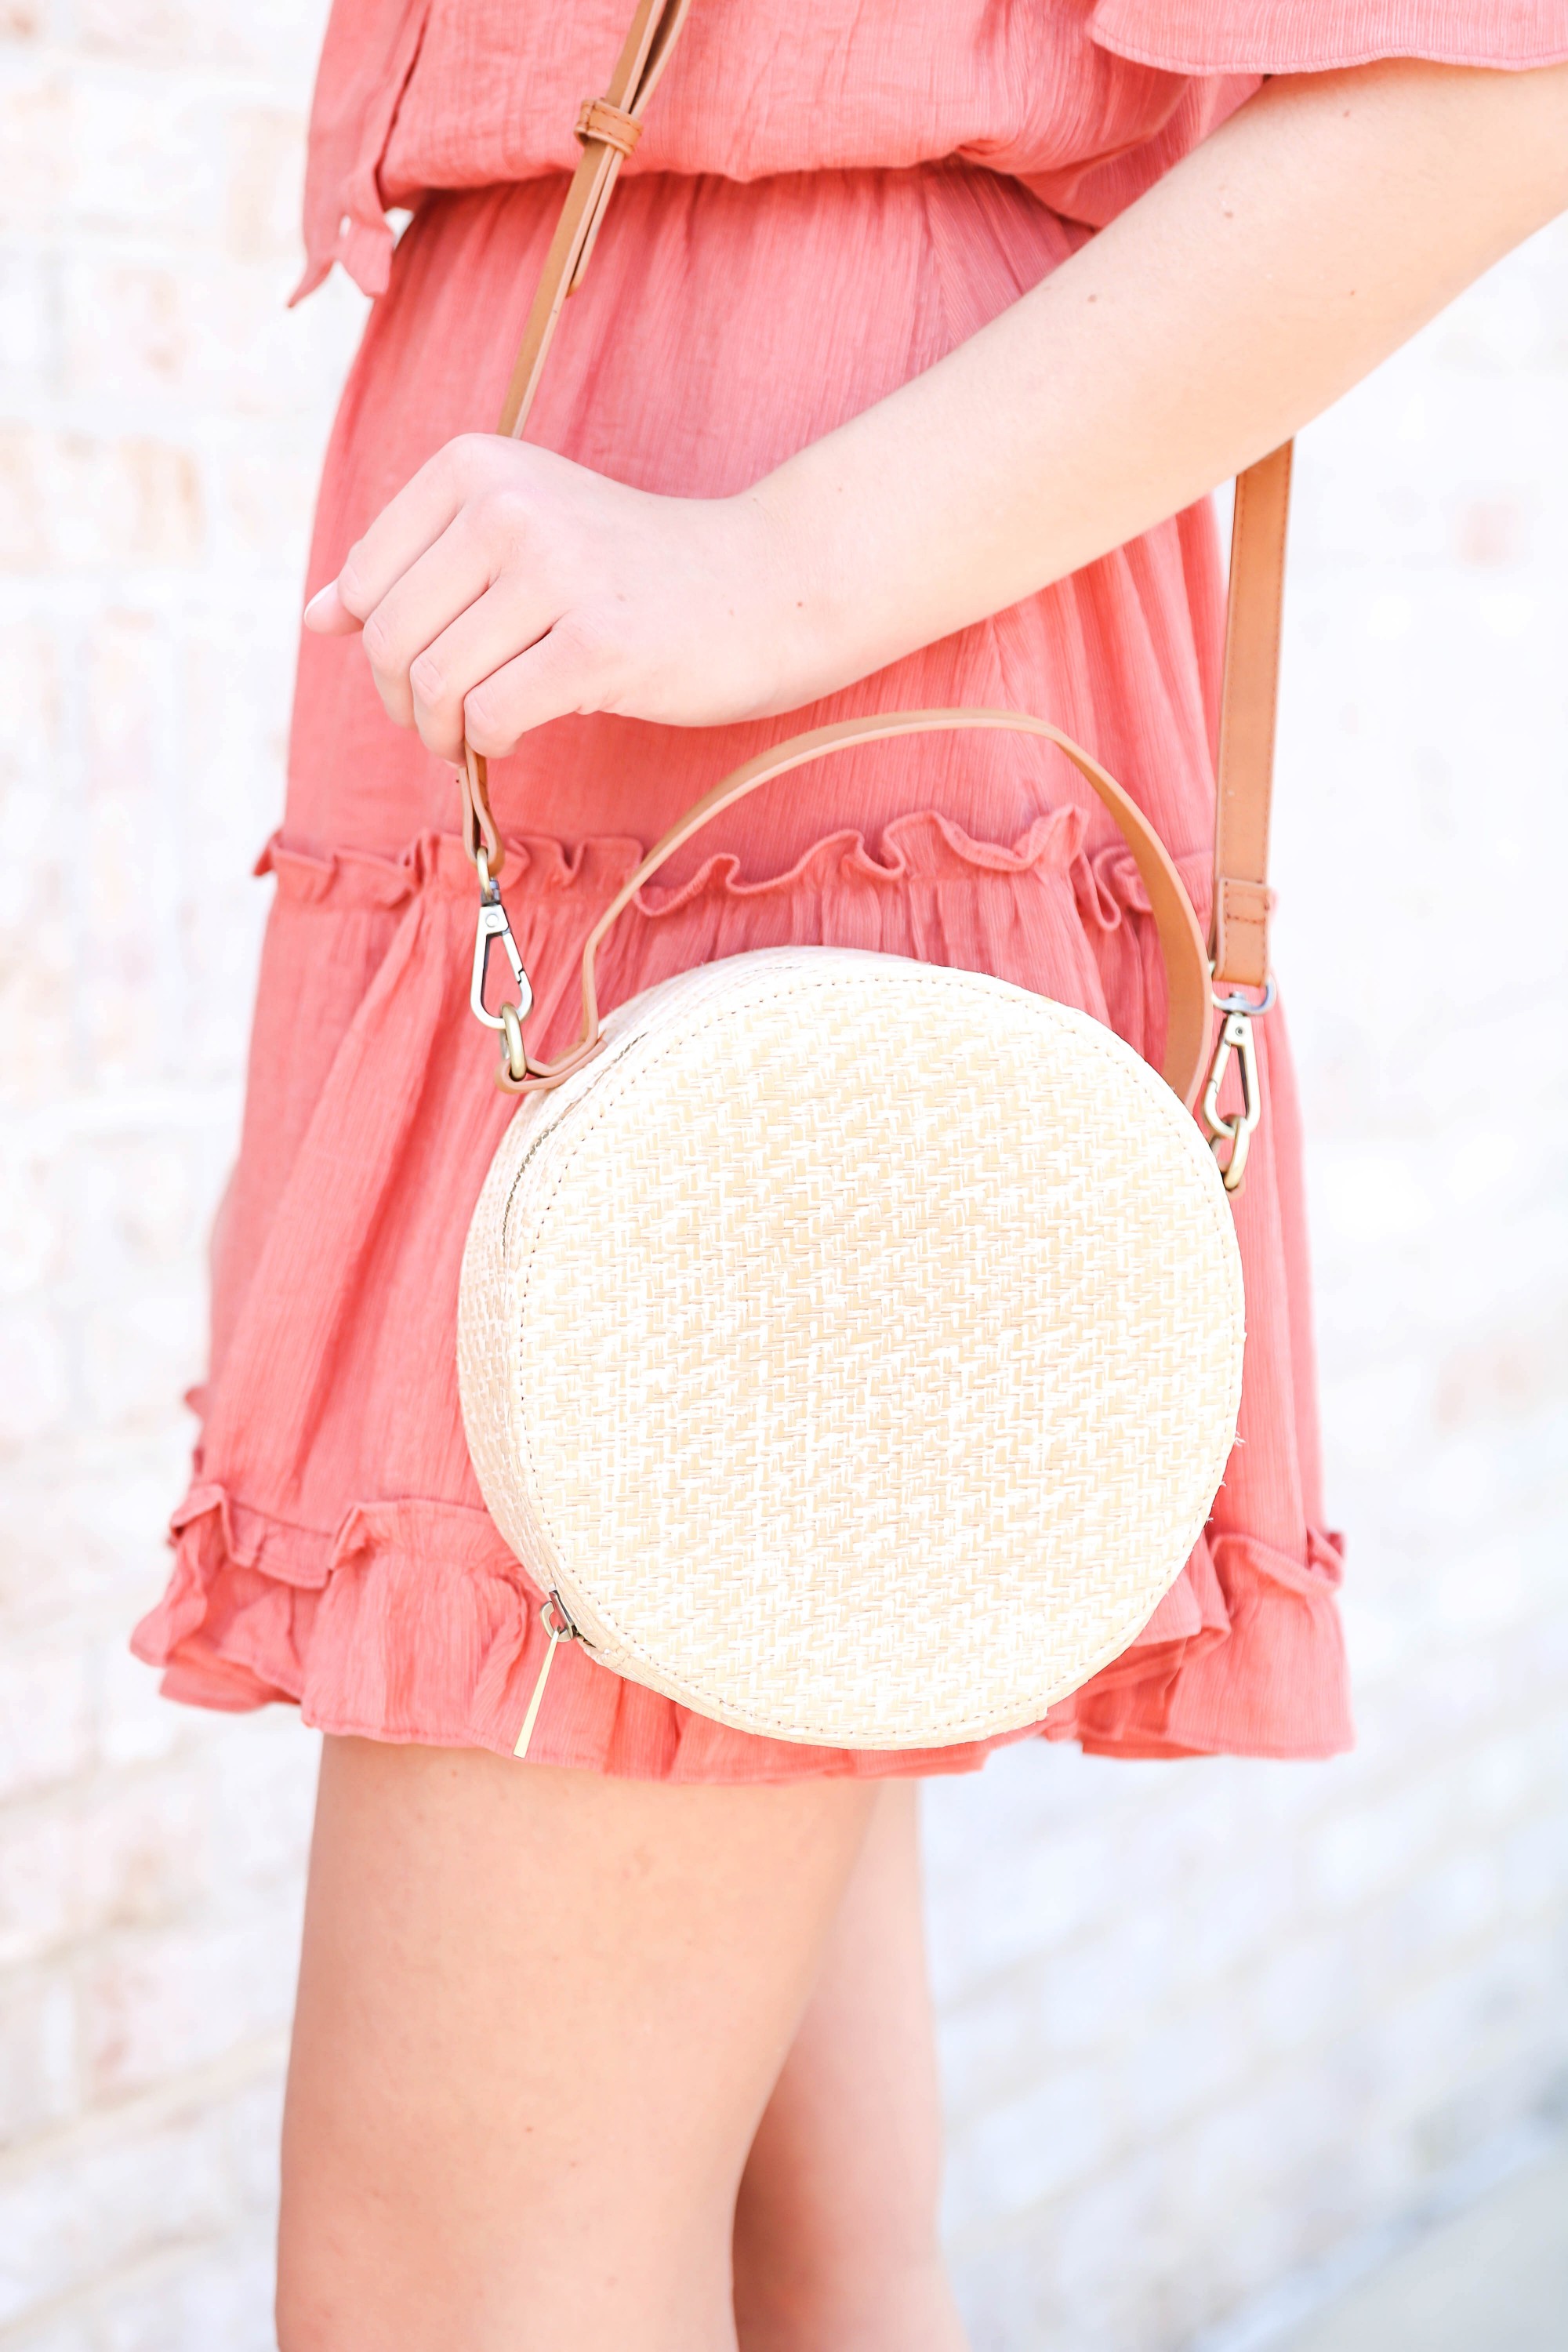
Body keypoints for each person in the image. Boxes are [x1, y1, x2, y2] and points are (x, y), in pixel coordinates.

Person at [130, 5, 1568, 2346]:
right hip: (596, 597)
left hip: (791, 659)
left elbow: (1500, 62)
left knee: (457, 2282)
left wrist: (773, 571)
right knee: (786, 2239)